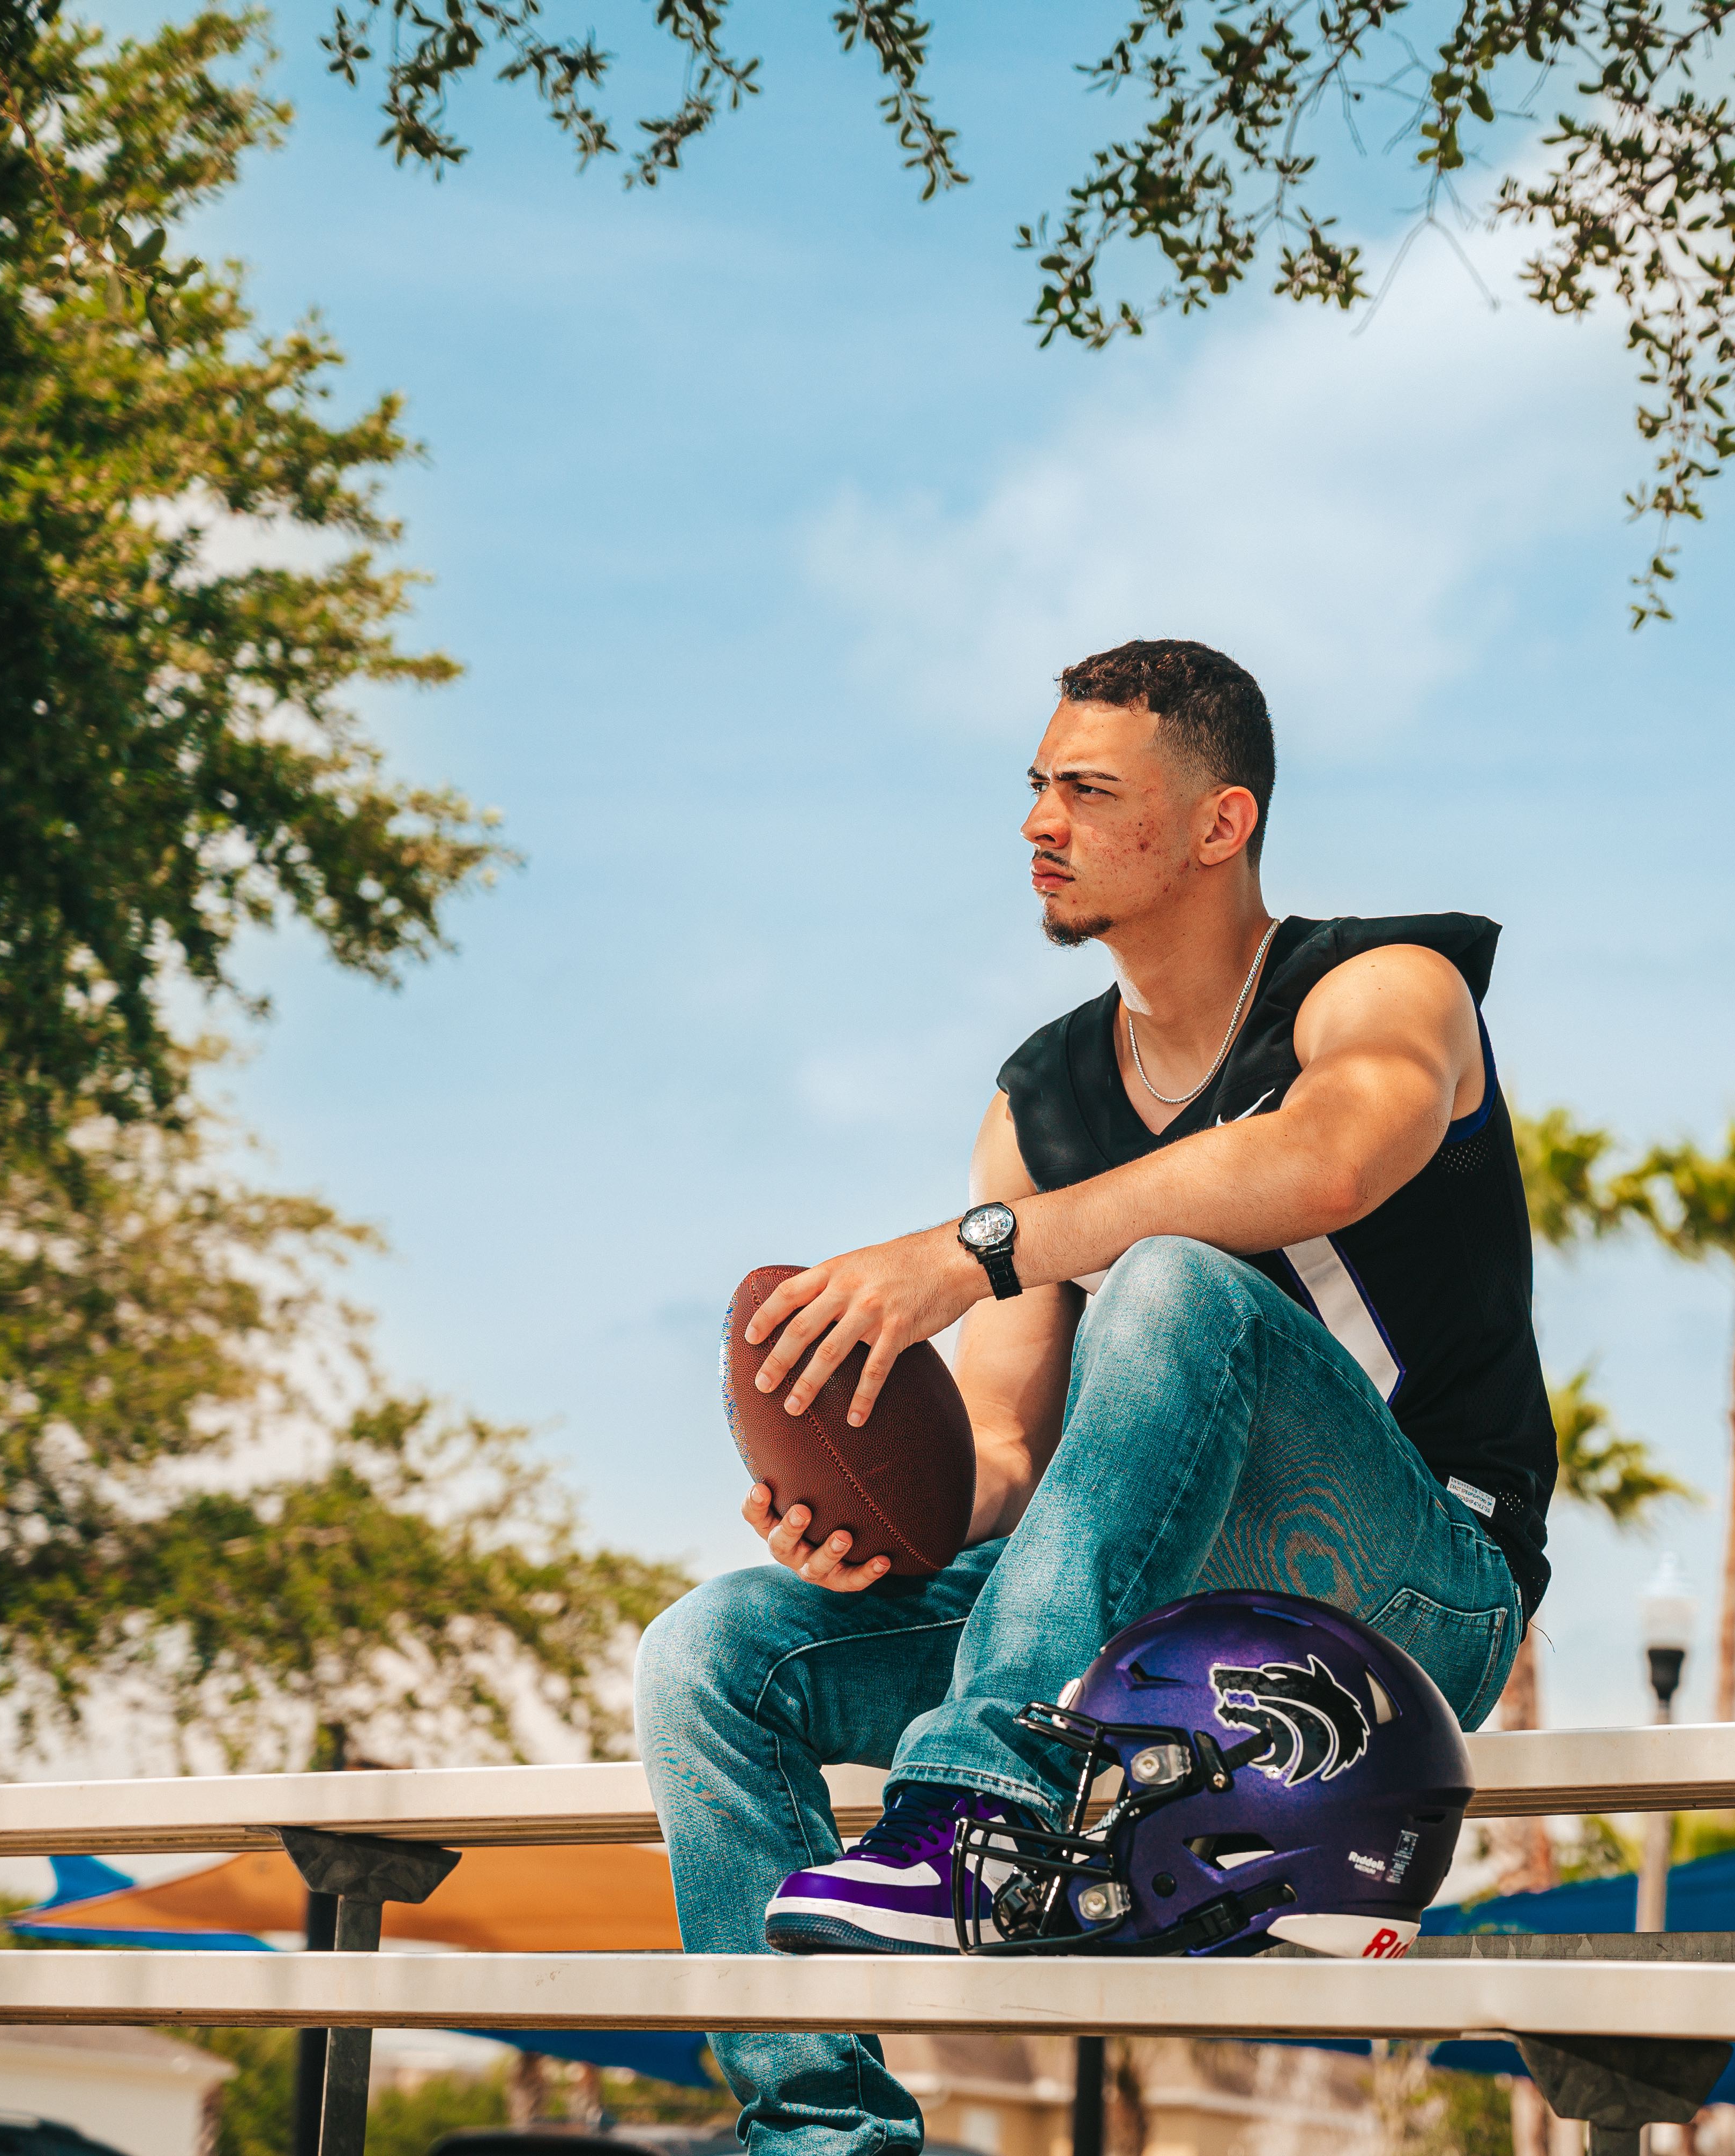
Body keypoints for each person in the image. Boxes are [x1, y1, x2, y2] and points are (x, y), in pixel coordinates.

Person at [632, 638, 1558, 2155]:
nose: (1038, 822)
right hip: (1132, 1624)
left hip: (1405, 1608)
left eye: (1088, 790)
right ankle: (821, 2132)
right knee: (714, 1654)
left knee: (1176, 1278)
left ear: (1219, 822)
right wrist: (889, 1528)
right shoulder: (1040, 1101)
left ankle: (978, 1819)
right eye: (1036, 787)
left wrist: (972, 1251)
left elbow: (1331, 1154)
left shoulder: (1387, 986)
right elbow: (1008, 1453)